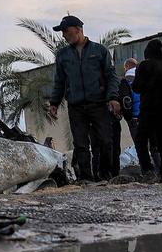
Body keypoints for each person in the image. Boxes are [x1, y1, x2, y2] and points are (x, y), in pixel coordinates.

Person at [48, 15, 120, 182]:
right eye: (62, 32)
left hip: (99, 104)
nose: (64, 35)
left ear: (78, 30)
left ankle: (104, 175)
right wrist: (54, 103)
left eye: (66, 31)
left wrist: (113, 98)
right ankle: (86, 178)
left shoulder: (99, 51)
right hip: (76, 106)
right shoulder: (62, 55)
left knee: (105, 141)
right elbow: (59, 80)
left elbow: (111, 76)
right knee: (80, 144)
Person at [132, 39, 162, 182]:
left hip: (147, 110)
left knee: (141, 140)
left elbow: (136, 87)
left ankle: (148, 169)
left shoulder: (143, 66)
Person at [115, 58, 141, 173]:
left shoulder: (125, 81)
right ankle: (157, 171)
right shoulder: (145, 78)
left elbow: (124, 101)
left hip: (134, 119)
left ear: (126, 67)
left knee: (139, 146)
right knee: (153, 146)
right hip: (147, 117)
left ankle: (144, 171)